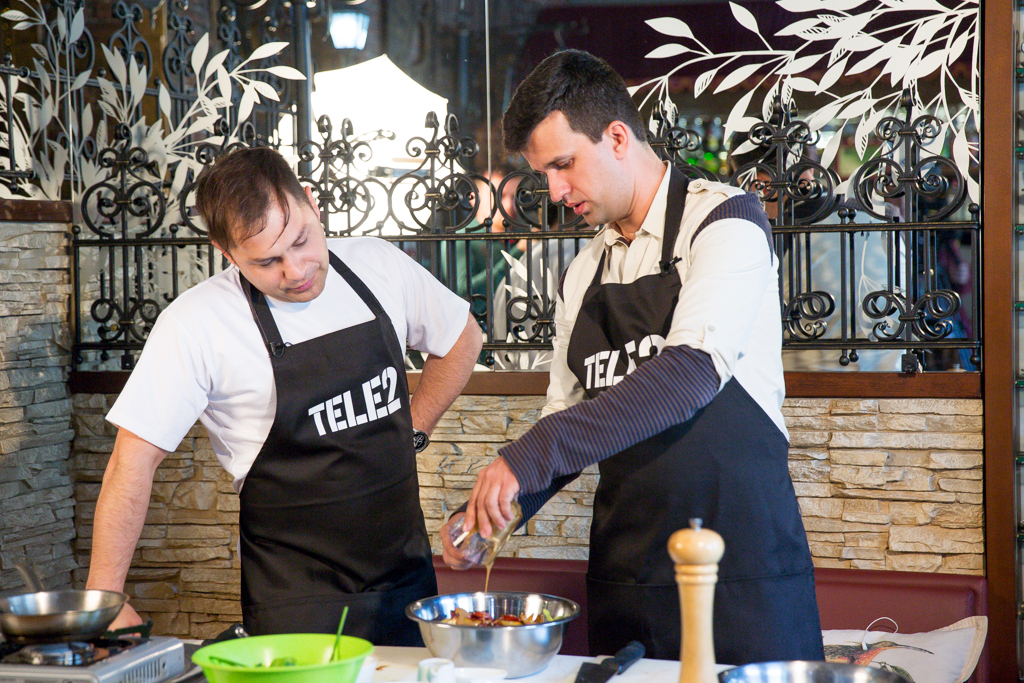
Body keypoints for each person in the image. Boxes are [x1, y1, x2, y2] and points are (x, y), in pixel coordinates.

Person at [440, 50, 824, 665]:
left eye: (564, 165)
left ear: (618, 136)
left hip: (743, 581)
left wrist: (529, 455)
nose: (556, 190)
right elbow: (565, 414)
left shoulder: (725, 220)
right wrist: (494, 511)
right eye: (544, 174)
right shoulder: (584, 270)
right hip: (630, 582)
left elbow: (690, 373)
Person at [86, 147, 482, 645]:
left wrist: (414, 431)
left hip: (407, 584)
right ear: (226, 253)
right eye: (268, 261)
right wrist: (106, 597)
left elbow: (462, 338)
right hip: (296, 607)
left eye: (301, 241)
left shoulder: (377, 266)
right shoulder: (196, 325)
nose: (296, 271)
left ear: (313, 205)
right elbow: (132, 463)